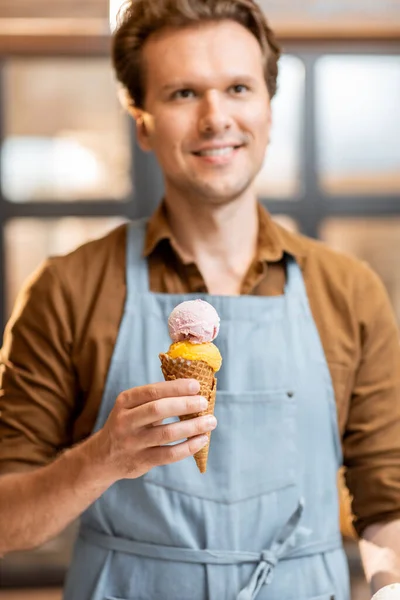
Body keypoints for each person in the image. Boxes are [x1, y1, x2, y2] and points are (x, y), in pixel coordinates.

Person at [0, 0, 400, 598]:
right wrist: (103, 458)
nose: (216, 118)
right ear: (141, 120)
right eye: (184, 93)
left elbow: (386, 502)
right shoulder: (69, 290)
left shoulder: (348, 290)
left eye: (238, 87)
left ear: (267, 107)